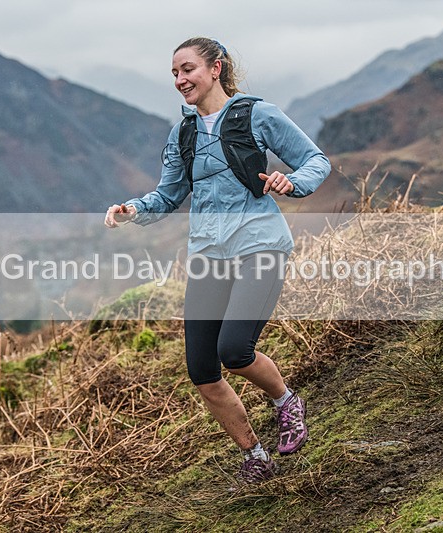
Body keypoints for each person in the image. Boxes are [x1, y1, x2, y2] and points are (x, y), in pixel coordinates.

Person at [105, 37, 330, 484]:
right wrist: (134, 209)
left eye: (187, 69)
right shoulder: (183, 133)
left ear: (215, 68)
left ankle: (287, 402)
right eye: (173, 73)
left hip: (259, 244)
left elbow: (315, 160)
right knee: (202, 370)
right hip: (209, 254)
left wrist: (293, 182)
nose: (179, 80)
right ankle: (256, 456)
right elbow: (170, 193)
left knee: (234, 351)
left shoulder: (256, 114)